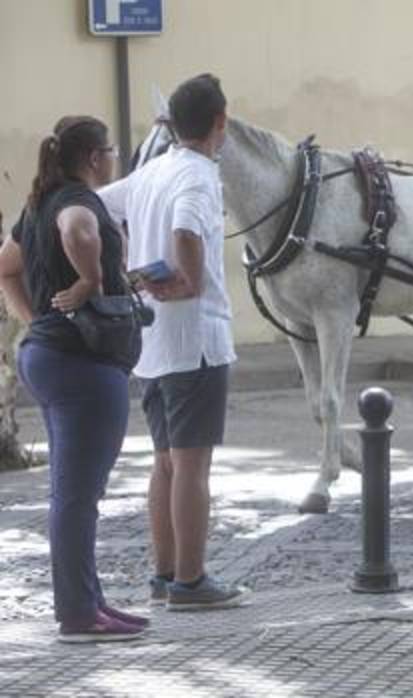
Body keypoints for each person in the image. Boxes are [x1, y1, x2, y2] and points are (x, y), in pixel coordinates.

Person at [99, 74, 245, 611]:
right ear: (219, 121)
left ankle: (163, 573)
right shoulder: (200, 175)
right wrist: (188, 278)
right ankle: (191, 579)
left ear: (170, 124)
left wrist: (127, 272)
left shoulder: (150, 172)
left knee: (163, 464)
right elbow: (186, 228)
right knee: (191, 467)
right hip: (197, 341)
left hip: (154, 345)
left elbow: (97, 208)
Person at [0, 116, 149, 642]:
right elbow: (79, 232)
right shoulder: (75, 204)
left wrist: (34, 319)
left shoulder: (38, 203)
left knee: (71, 490)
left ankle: (87, 602)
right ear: (93, 157)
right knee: (77, 495)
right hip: (83, 365)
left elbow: (5, 266)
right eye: (109, 150)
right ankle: (79, 616)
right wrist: (89, 279)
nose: (113, 158)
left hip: (48, 355)